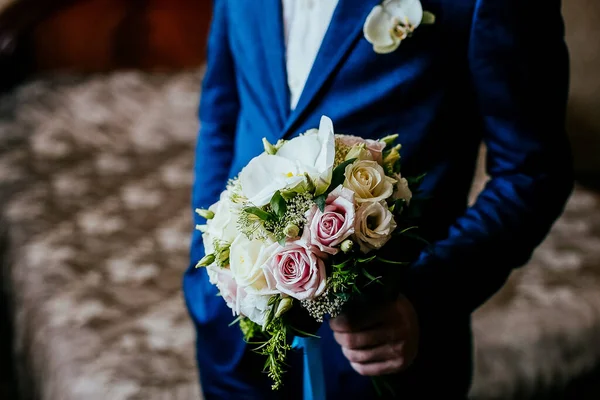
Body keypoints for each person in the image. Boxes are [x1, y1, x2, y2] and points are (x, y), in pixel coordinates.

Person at [183, 0, 573, 398]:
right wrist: (204, 265)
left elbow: (532, 172)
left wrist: (424, 300)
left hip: (383, 357)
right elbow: (222, 110)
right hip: (231, 345)